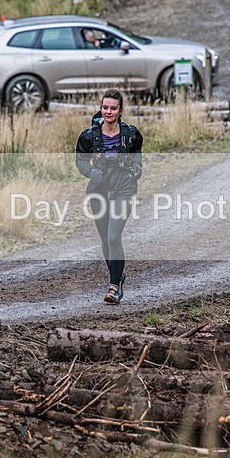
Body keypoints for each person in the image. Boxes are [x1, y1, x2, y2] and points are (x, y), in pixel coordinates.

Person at [75, 88, 143, 305]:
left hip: (124, 189)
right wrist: (90, 171)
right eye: (105, 107)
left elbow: (138, 158)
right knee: (105, 239)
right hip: (99, 191)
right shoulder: (88, 137)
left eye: (113, 108)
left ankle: (114, 288)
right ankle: (117, 273)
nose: (108, 111)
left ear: (121, 110)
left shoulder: (131, 134)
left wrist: (136, 170)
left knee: (114, 236)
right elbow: (80, 162)